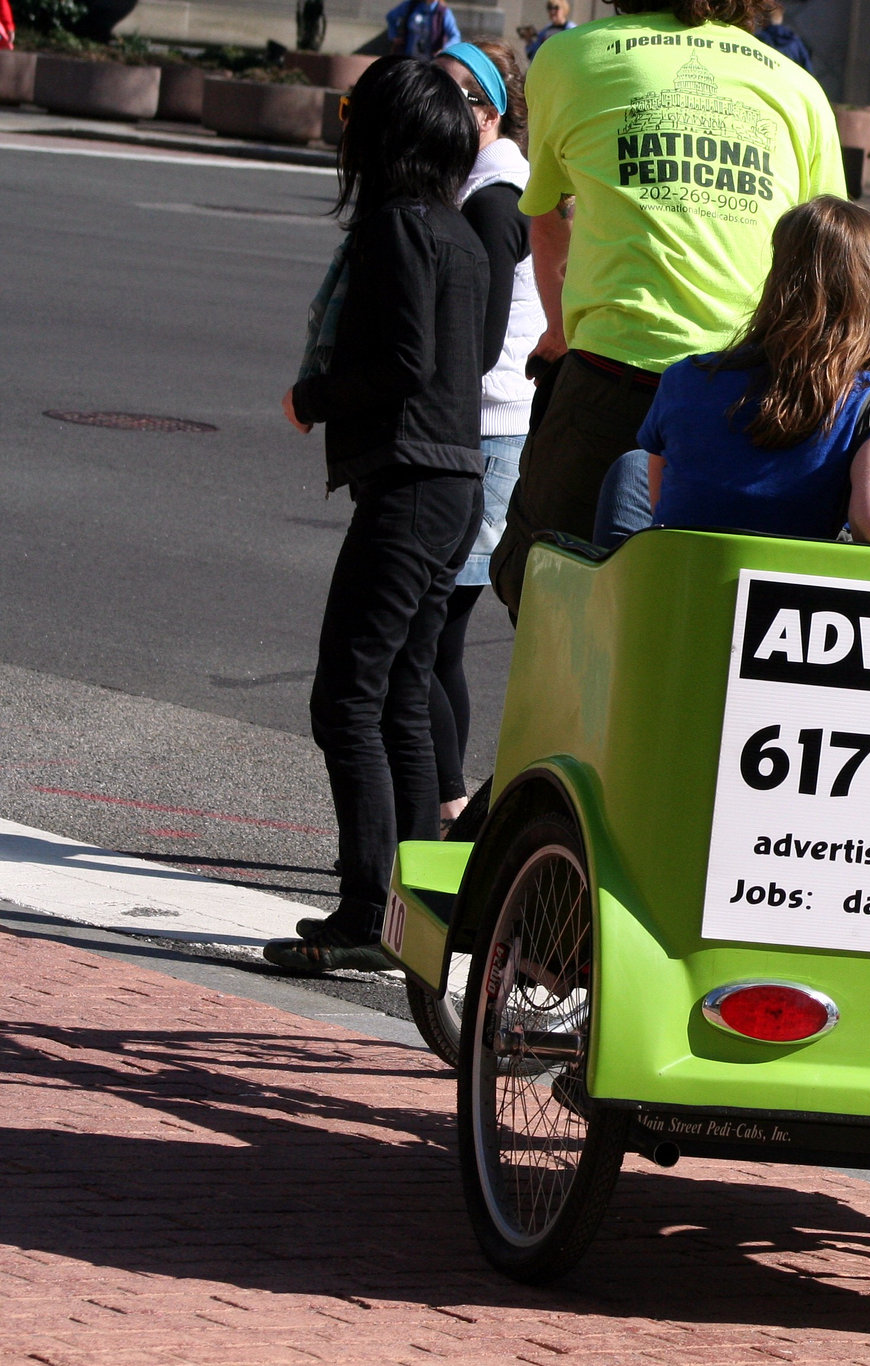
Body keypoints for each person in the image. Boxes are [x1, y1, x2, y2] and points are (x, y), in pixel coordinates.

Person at [488, 0, 845, 616]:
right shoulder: (799, 88)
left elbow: (547, 212)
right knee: (719, 612)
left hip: (612, 376)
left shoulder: (571, 57)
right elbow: (831, 260)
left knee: (548, 590)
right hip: (743, 390)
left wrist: (559, 327)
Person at [272, 56, 489, 972]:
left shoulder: (398, 227)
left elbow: (403, 361)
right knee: (403, 689)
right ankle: (409, 908)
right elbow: (462, 363)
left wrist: (315, 396)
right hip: (452, 481)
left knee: (347, 696)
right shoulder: (462, 233)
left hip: (407, 482)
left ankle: (367, 906)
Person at [637, 197, 870, 546]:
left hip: (681, 582)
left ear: (778, 276)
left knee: (627, 471)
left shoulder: (684, 378)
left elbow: (664, 497)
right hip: (792, 595)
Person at [426, 40, 541, 826]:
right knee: (433, 636)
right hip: (485, 431)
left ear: (489, 111)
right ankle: (448, 805)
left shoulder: (497, 198)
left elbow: (485, 334)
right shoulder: (483, 184)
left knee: (428, 636)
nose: (428, 108)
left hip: (487, 434)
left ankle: (452, 808)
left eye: (448, 95)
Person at [385, 0, 459, 57]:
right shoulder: (411, 5)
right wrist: (393, 35)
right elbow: (391, 16)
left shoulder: (443, 12)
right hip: (408, 57)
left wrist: (445, 49)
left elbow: (455, 36)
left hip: (430, 61)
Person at [754, 0, 810, 70]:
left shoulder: (760, 39)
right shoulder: (796, 42)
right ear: (780, 18)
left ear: (763, 19)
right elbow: (807, 67)